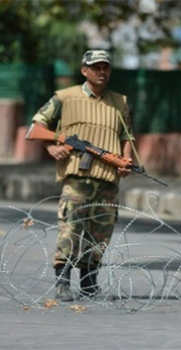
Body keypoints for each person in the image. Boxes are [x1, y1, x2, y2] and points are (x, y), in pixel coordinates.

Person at [30, 50, 134, 302]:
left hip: (108, 178)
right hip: (77, 177)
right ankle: (63, 282)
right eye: (95, 67)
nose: (101, 72)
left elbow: (126, 136)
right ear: (84, 70)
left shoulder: (119, 101)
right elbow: (36, 128)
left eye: (105, 67)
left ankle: (89, 284)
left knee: (100, 232)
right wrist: (52, 146)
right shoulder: (65, 97)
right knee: (71, 228)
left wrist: (126, 161)